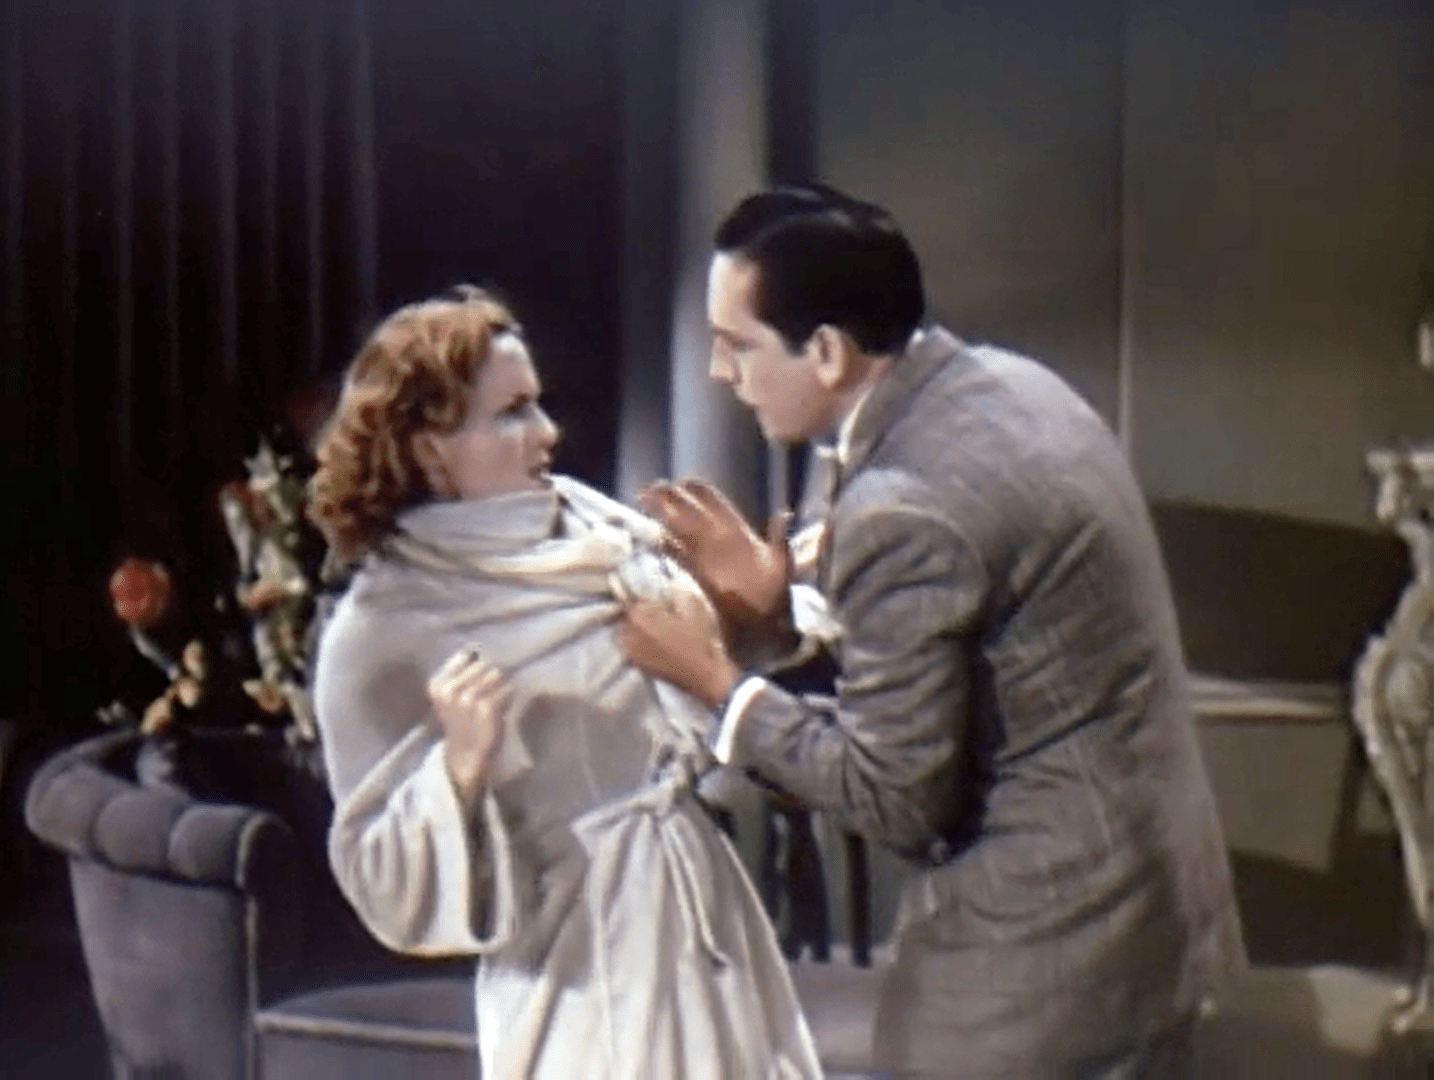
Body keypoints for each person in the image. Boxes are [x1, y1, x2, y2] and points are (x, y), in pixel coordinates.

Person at [617, 185, 1247, 1077]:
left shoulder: (902, 505)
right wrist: (780, 616)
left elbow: (896, 799)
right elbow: (960, 616)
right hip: (1147, 904)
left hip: (1044, 956)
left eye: (737, 345)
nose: (722, 373)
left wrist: (720, 685)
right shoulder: (1006, 386)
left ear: (826, 351)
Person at [305, 285, 821, 1079]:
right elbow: (378, 873)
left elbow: (698, 664)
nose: (547, 432)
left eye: (537, 405)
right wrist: (458, 771)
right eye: (511, 413)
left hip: (700, 914)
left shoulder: (595, 527)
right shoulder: (379, 628)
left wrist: (755, 610)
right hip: (574, 960)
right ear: (429, 449)